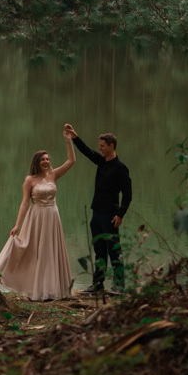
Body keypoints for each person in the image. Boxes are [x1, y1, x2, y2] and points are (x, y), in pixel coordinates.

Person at [0, 130, 76, 301]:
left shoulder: (54, 175)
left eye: (48, 159)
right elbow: (24, 203)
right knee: (35, 252)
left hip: (52, 217)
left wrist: (68, 140)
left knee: (51, 251)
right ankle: (35, 289)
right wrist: (17, 225)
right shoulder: (29, 180)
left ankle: (53, 290)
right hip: (36, 217)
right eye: (43, 159)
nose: (46, 161)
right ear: (37, 162)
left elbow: (71, 161)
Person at [64, 123, 131, 294]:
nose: (99, 149)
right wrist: (75, 136)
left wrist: (120, 214)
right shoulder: (102, 162)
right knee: (99, 251)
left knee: (114, 251)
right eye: (99, 146)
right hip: (96, 214)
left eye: (102, 146)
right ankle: (98, 285)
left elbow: (128, 194)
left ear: (111, 146)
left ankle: (119, 285)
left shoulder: (120, 168)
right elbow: (87, 152)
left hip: (110, 215)